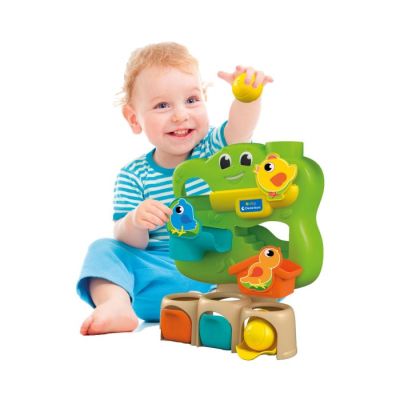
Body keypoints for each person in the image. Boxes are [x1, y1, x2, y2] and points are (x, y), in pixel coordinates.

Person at [77, 42, 273, 335]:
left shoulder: (214, 151)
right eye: (162, 105)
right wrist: (135, 221)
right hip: (157, 278)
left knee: (265, 262)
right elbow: (129, 241)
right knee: (103, 250)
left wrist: (247, 97)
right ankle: (116, 305)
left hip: (215, 269)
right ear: (134, 119)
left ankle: (221, 309)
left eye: (192, 100)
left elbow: (240, 129)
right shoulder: (134, 175)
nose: (180, 115)